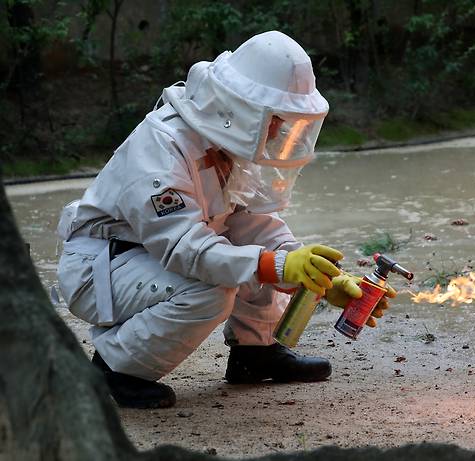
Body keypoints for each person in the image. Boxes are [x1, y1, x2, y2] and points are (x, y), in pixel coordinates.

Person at [56, 30, 395, 409]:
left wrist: (322, 279)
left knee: (252, 255)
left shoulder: (223, 143)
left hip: (148, 257)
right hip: (102, 266)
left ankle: (255, 354)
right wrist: (278, 266)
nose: (278, 131)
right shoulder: (161, 147)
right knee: (212, 288)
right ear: (242, 108)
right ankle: (116, 369)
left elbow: (251, 223)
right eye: (274, 119)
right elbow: (186, 248)